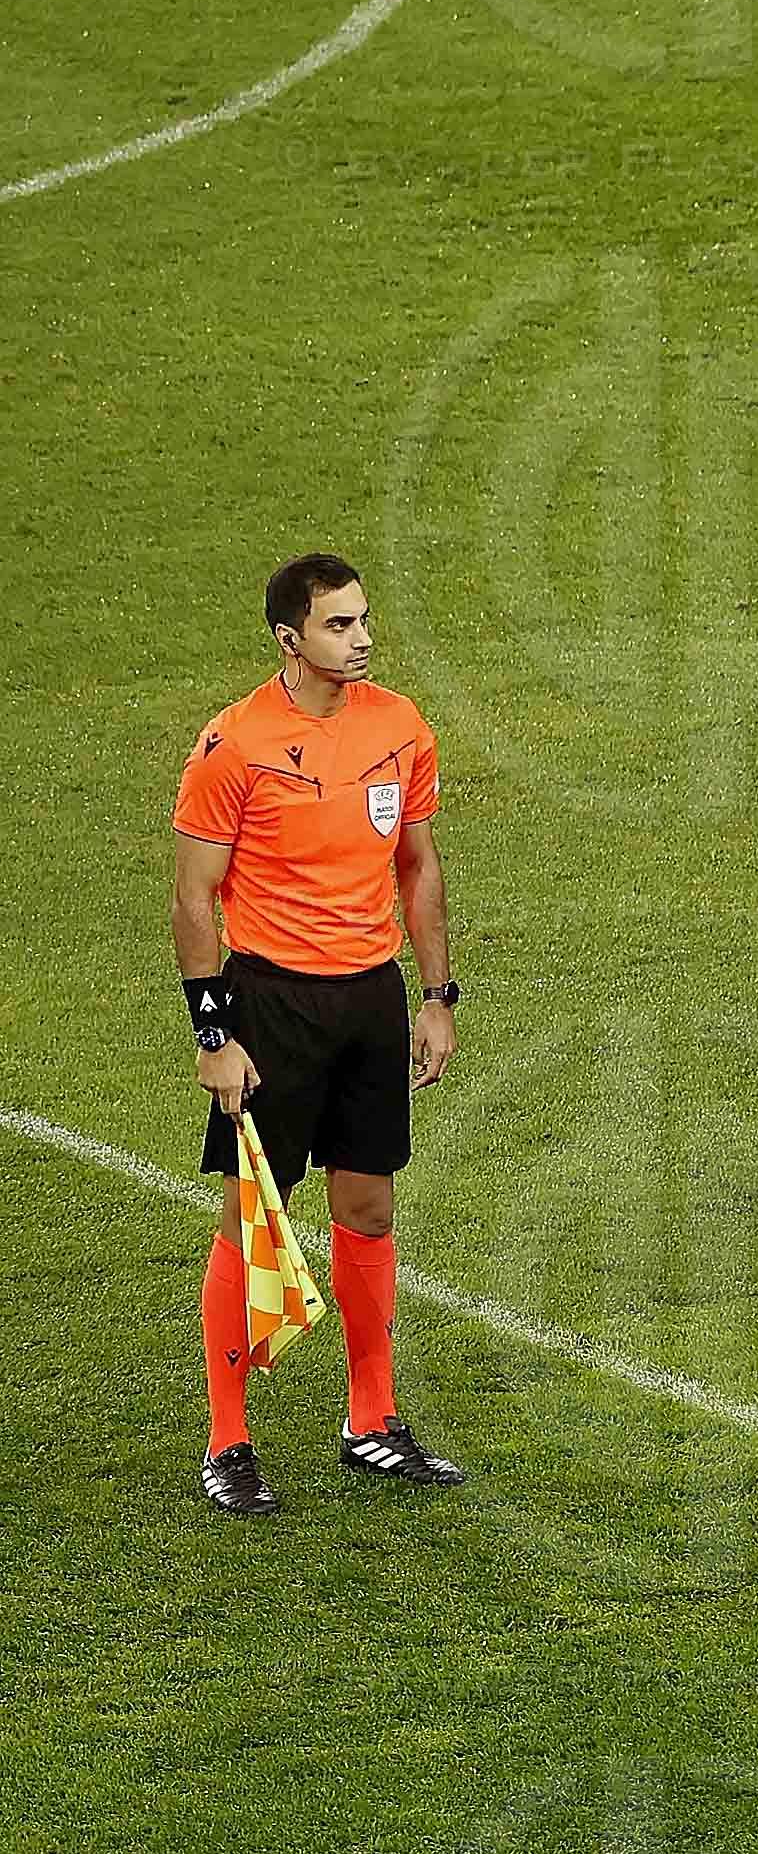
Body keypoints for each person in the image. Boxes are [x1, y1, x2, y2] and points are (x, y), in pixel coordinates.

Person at [173, 553, 465, 1517]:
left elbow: (417, 867)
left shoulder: (399, 726)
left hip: (369, 998)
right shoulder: (236, 745)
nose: (363, 638)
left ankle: (370, 1421)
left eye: (365, 619)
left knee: (371, 1206)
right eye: (340, 625)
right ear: (288, 640)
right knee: (255, 1215)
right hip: (271, 1006)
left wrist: (435, 996)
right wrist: (214, 1032)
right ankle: (228, 1440)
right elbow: (193, 895)